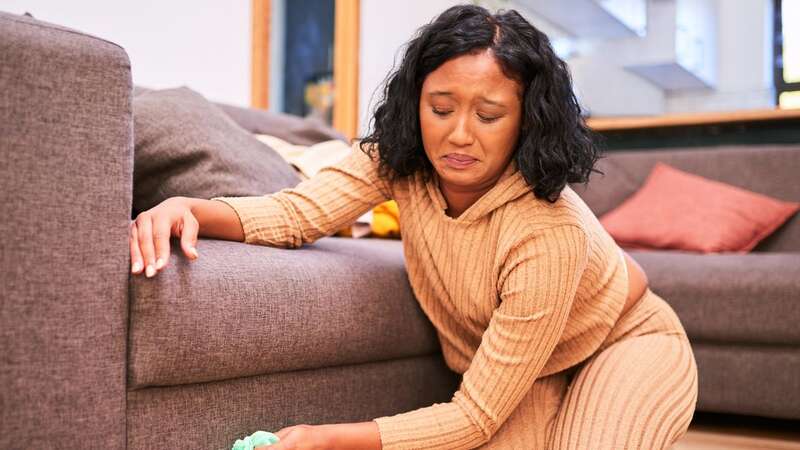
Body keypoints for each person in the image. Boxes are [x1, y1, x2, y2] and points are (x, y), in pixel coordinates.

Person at [129, 4, 698, 449]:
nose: (458, 135)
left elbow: (474, 417)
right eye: (441, 107)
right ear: (415, 100)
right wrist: (190, 208)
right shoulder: (400, 160)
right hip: (535, 368)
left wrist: (325, 438)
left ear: (528, 120)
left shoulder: (547, 230)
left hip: (626, 344)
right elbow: (298, 214)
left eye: (490, 115)